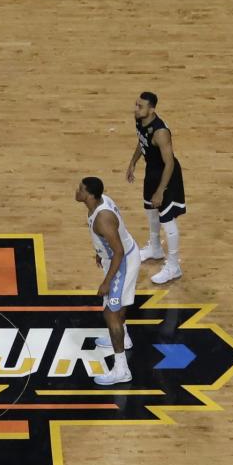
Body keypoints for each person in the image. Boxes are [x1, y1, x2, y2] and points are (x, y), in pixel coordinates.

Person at [75, 177, 140, 385]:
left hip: (122, 263)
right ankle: (125, 338)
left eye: (81, 189)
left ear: (90, 195)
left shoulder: (102, 218)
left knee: (110, 313)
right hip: (120, 257)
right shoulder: (101, 202)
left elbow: (118, 251)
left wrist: (106, 282)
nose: (77, 191)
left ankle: (122, 369)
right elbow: (113, 239)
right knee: (116, 308)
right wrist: (100, 251)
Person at [126, 91, 186, 284]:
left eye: (140, 106)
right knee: (151, 211)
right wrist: (133, 162)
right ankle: (155, 248)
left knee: (167, 220)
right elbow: (142, 141)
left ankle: (174, 266)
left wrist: (161, 190)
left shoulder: (160, 132)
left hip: (166, 175)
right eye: (136, 104)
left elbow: (169, 163)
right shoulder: (140, 120)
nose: (136, 109)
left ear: (152, 110)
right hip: (152, 172)